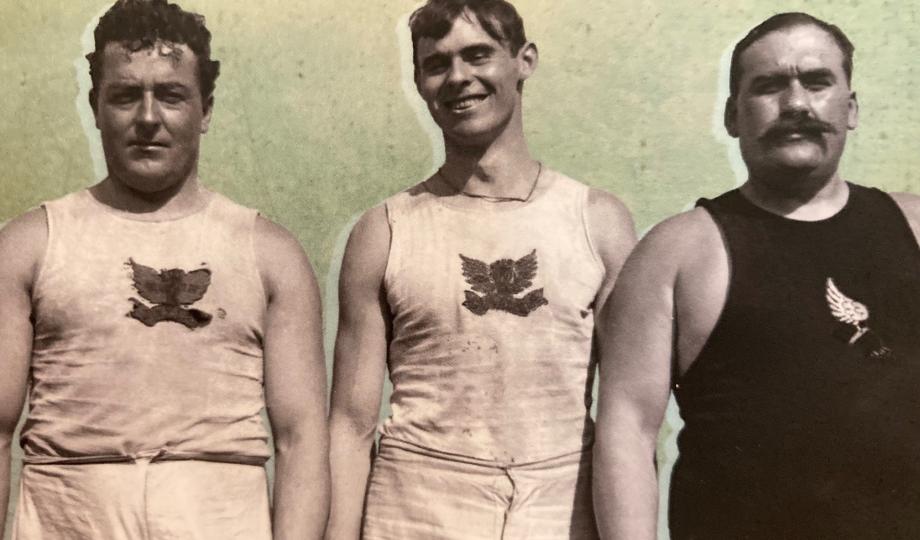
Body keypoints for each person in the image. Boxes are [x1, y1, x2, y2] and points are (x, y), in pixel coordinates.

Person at [0, 0, 329, 537]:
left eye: (171, 95)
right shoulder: (29, 244)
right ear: (95, 105)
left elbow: (301, 439)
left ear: (205, 109)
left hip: (221, 516)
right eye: (126, 95)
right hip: (69, 516)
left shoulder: (269, 253)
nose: (148, 117)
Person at [594, 11, 920, 540]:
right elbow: (626, 432)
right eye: (769, 86)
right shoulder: (678, 250)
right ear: (732, 115)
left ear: (851, 106)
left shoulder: (913, 227)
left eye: (817, 82)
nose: (796, 104)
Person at [325, 1, 636, 538]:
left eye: (478, 55)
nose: (459, 78)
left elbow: (629, 417)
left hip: (561, 503)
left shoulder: (597, 221)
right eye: (437, 63)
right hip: (418, 505)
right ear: (419, 81)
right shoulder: (384, 231)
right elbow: (351, 426)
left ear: (524, 61)